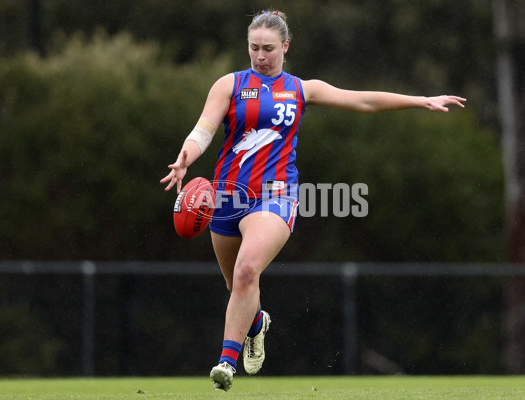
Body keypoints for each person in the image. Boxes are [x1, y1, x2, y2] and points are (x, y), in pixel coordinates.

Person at [160, 9, 465, 391]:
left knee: (246, 271)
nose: (260, 56)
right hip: (225, 197)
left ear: (285, 47)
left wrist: (419, 100)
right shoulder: (230, 84)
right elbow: (202, 131)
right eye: (253, 48)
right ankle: (257, 325)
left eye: (268, 48)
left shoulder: (301, 89)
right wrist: (187, 155)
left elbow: (363, 101)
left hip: (276, 196)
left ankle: (226, 363)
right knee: (236, 287)